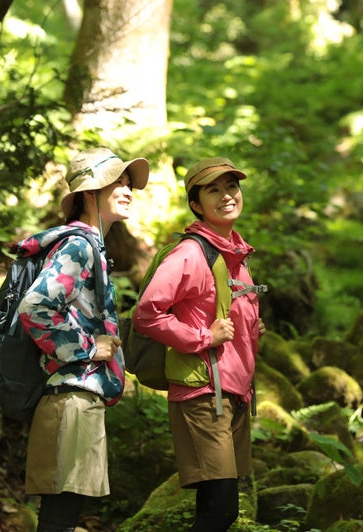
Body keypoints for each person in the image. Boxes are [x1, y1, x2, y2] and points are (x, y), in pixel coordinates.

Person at [17, 147, 149, 531]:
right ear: (90, 194)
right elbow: (35, 308)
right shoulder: (78, 245)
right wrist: (90, 347)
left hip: (77, 397)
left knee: (62, 515)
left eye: (129, 183)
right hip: (71, 397)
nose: (127, 191)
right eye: (117, 182)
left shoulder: (92, 246)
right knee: (60, 517)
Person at [132, 157, 266, 531]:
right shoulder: (191, 253)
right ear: (196, 204)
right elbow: (147, 313)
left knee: (217, 511)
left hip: (233, 393)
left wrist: (251, 326)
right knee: (220, 511)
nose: (227, 196)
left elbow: (214, 310)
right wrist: (204, 337)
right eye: (214, 190)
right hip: (204, 394)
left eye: (231, 187)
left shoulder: (235, 253)